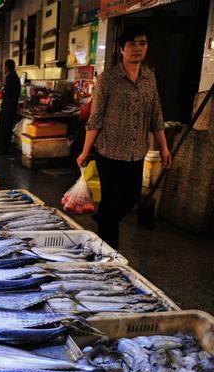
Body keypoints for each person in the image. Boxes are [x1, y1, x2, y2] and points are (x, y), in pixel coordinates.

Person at [77, 25, 171, 250]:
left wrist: (163, 147)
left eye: (143, 43)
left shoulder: (150, 78)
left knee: (130, 198)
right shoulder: (108, 79)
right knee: (110, 202)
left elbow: (156, 115)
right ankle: (110, 252)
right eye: (132, 44)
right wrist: (85, 150)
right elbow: (96, 118)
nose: (137, 49)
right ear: (121, 49)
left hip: (137, 151)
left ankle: (103, 223)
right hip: (109, 151)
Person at [0, 59, 21, 155]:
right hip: (8, 107)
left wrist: (1, 89)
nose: (3, 69)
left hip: (9, 107)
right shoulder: (11, 77)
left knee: (4, 129)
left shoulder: (11, 78)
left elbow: (7, 93)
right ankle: (1, 149)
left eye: (3, 66)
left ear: (7, 67)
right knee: (3, 128)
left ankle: (3, 150)